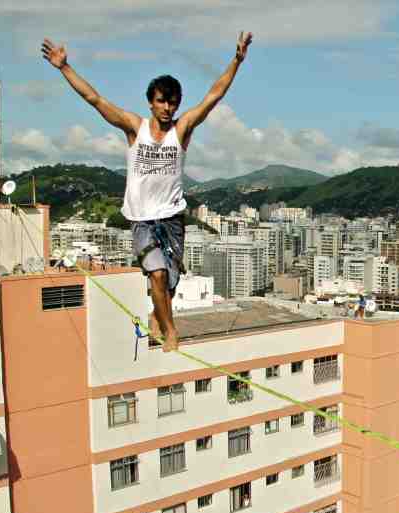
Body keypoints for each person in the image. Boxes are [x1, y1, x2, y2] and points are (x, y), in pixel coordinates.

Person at [42, 32, 253, 352]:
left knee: (167, 285)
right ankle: (171, 331)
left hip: (171, 220)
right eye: (161, 101)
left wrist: (236, 61)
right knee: (155, 274)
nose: (167, 107)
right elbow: (95, 100)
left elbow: (213, 96)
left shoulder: (181, 130)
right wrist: (65, 67)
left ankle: (159, 313)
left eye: (172, 102)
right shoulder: (134, 127)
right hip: (141, 221)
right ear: (150, 102)